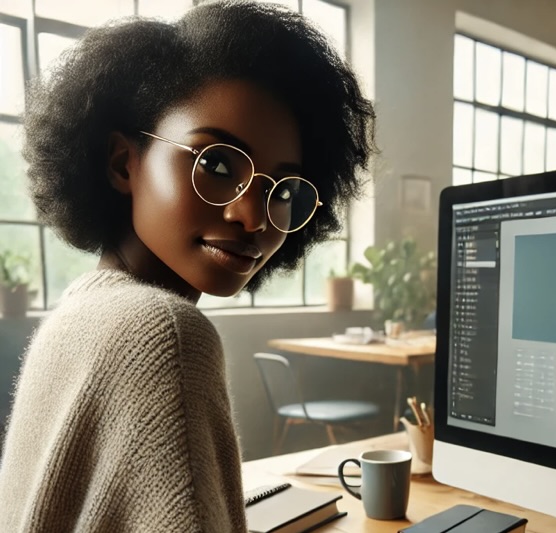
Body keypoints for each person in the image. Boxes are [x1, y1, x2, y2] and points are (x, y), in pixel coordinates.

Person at [0, 1, 375, 531]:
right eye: (217, 163)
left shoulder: (80, 315)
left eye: (283, 190)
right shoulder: (162, 333)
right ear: (123, 163)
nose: (252, 216)